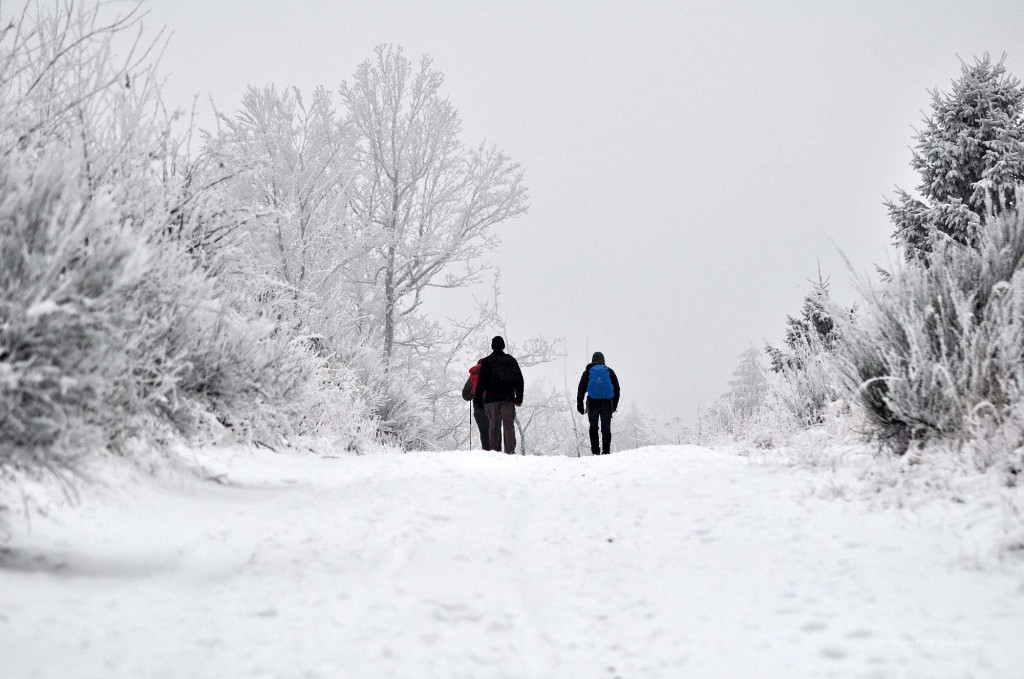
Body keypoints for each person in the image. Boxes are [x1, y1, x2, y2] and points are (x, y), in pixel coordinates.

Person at [474, 336, 524, 454]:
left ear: (492, 346)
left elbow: (481, 382)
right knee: (508, 425)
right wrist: (519, 398)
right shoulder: (511, 360)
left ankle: (495, 453)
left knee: (493, 426)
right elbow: (519, 380)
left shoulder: (486, 362)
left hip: (492, 400)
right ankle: (510, 452)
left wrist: (478, 399)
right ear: (503, 346)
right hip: (508, 399)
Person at [577, 351, 621, 455]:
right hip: (606, 404)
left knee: (593, 428)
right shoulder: (609, 371)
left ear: (593, 361)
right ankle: (606, 452)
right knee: (606, 429)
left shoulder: (588, 372)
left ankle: (595, 452)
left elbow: (581, 389)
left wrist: (580, 404)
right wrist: (614, 406)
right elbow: (617, 390)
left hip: (592, 403)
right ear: (603, 360)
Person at [461, 359, 489, 450]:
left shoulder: (473, 375)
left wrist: (473, 394)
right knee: (495, 431)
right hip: (494, 407)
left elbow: (465, 395)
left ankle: (486, 453)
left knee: (484, 431)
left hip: (479, 408)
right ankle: (496, 455)